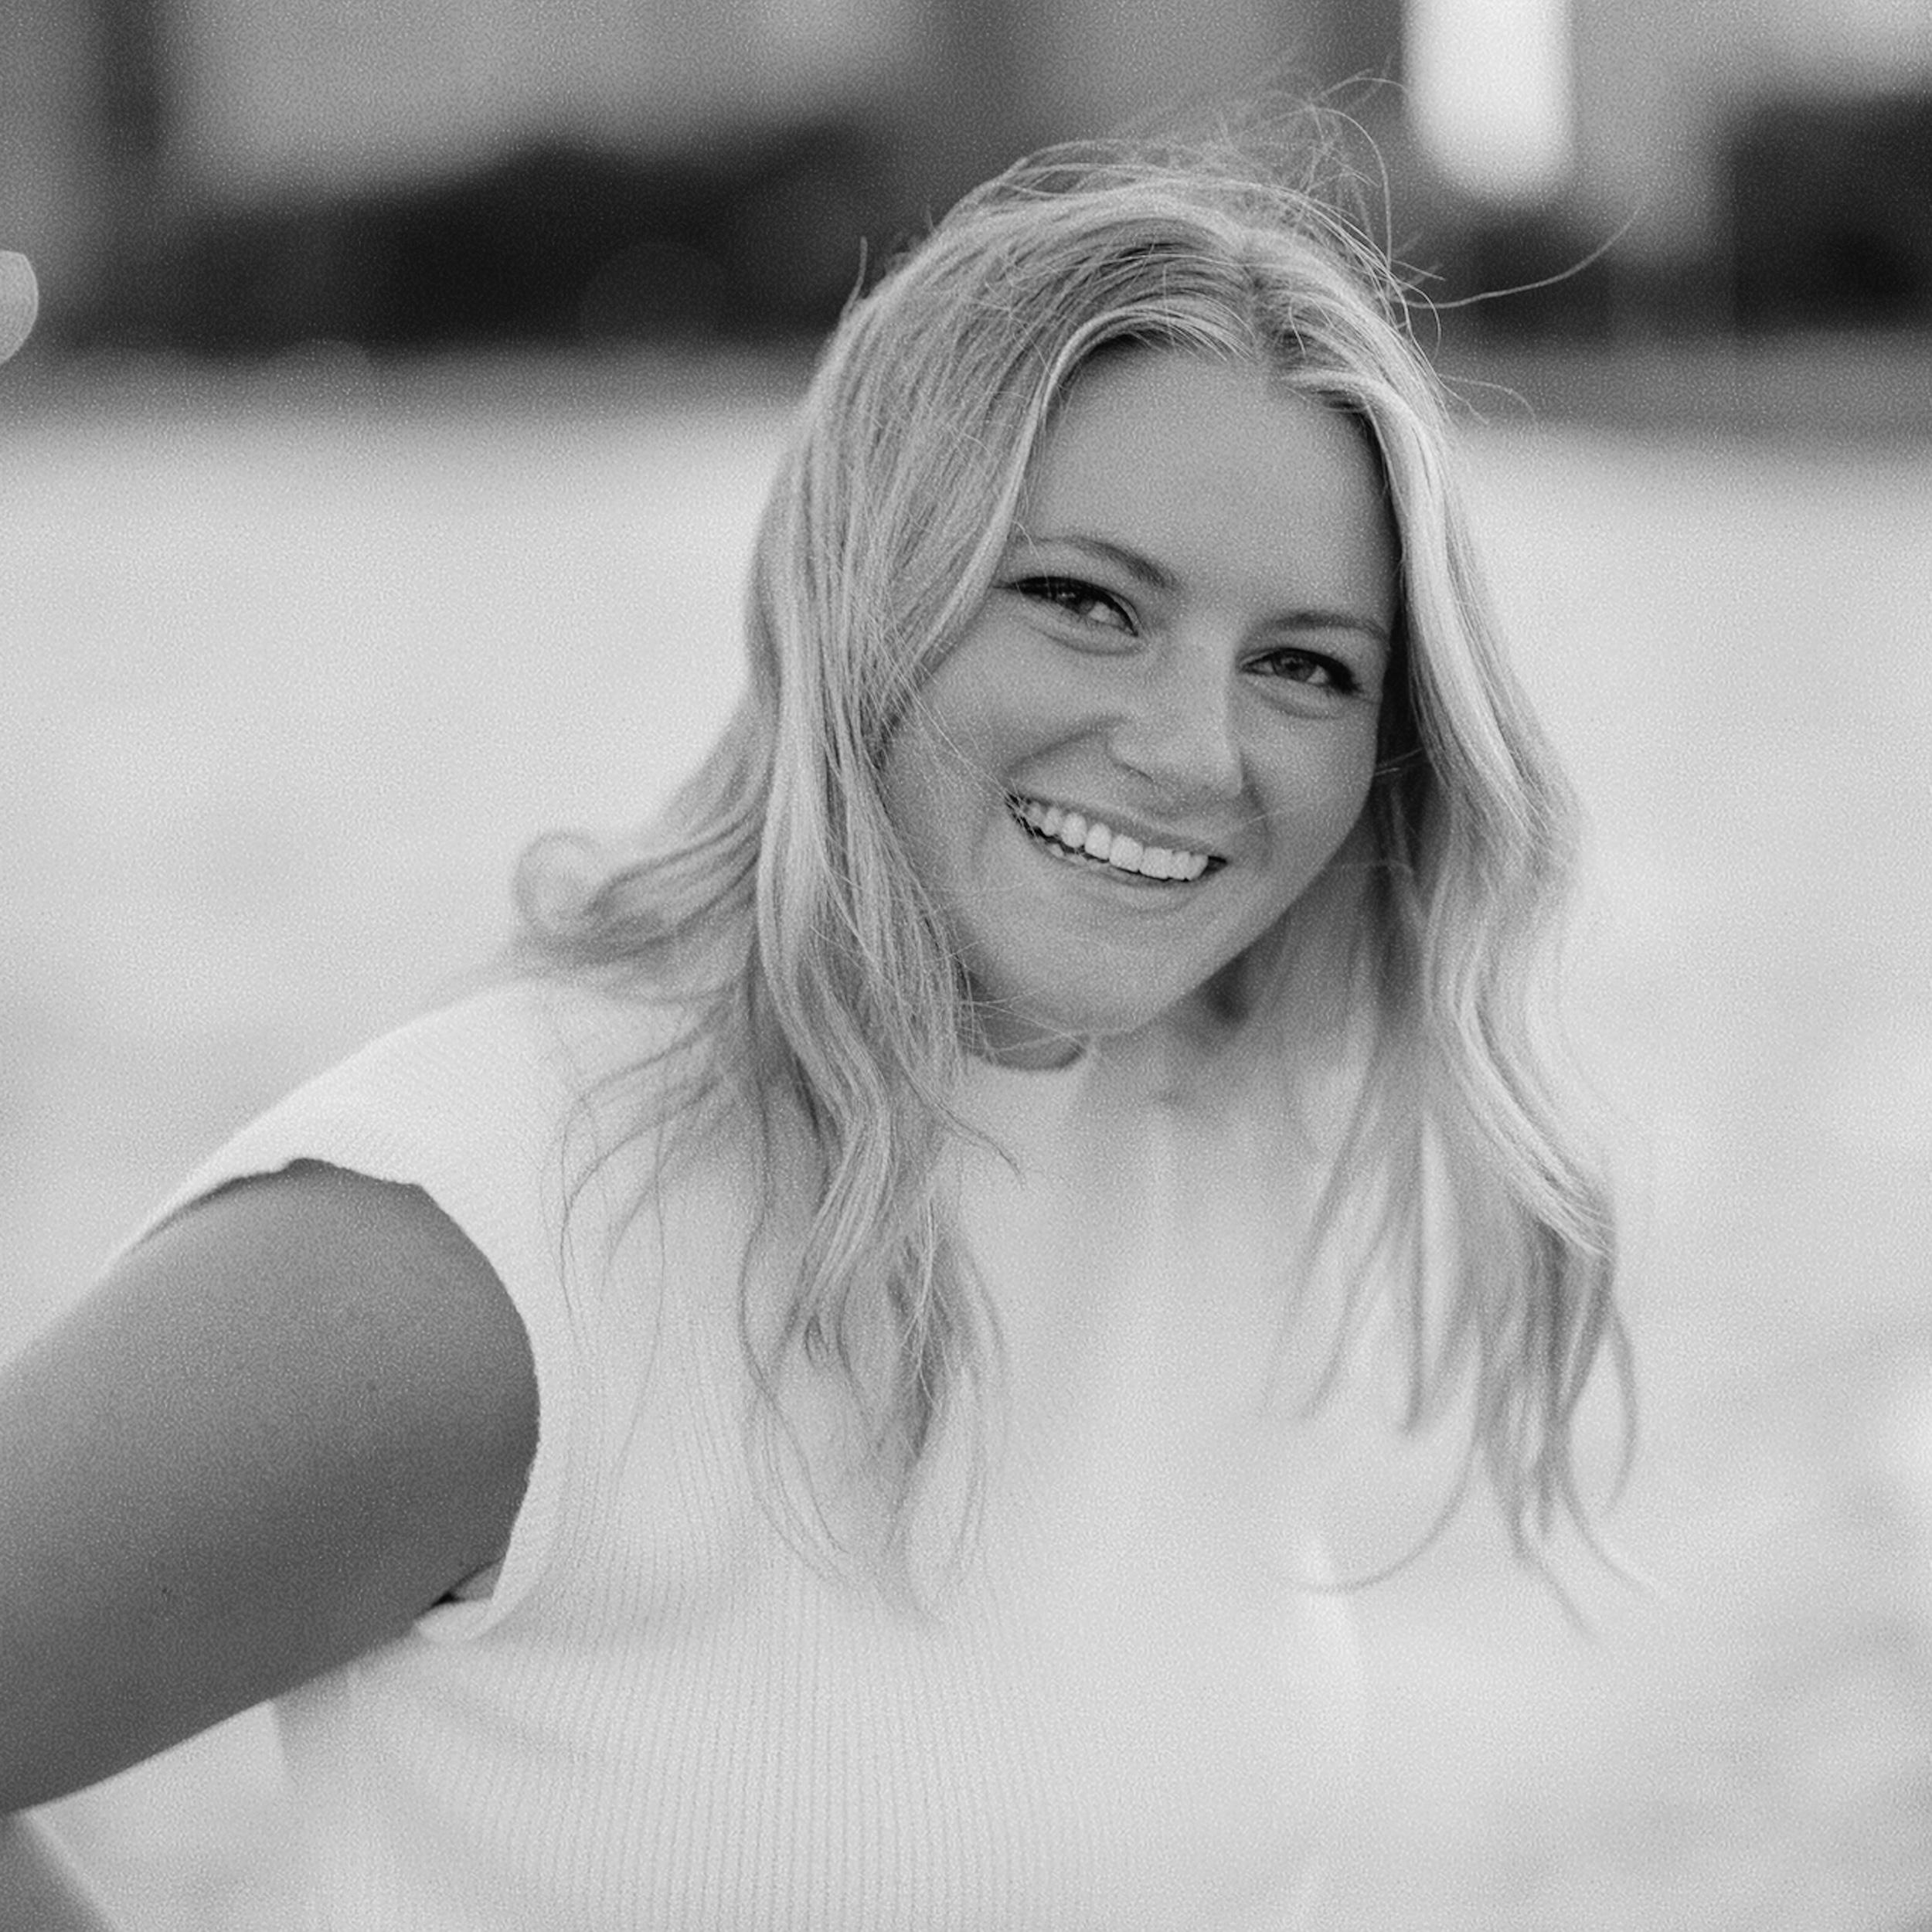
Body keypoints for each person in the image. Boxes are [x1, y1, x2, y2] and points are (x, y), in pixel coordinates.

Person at [0, 131, 1630, 1929]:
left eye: (1304, 665)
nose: (1192, 749)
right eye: (1085, 601)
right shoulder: (480, 1231)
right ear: (865, 591)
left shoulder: (1222, 1132)